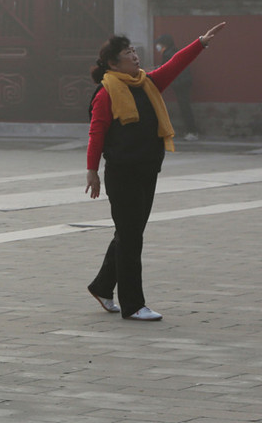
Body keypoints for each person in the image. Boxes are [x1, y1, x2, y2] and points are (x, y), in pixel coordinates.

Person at [84, 22, 226, 321]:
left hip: (147, 170)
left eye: (134, 50)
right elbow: (96, 133)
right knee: (131, 236)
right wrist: (92, 171)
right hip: (122, 173)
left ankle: (102, 286)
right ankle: (134, 305)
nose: (134, 56)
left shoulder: (147, 83)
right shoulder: (106, 92)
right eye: (127, 53)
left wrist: (200, 42)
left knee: (129, 233)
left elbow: (174, 64)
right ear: (113, 63)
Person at [155, 34, 198, 140]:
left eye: (159, 44)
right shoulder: (173, 52)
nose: (158, 46)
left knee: (185, 107)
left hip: (180, 83)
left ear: (165, 44)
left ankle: (192, 131)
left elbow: (165, 69)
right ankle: (191, 131)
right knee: (185, 106)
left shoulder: (168, 54)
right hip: (183, 82)